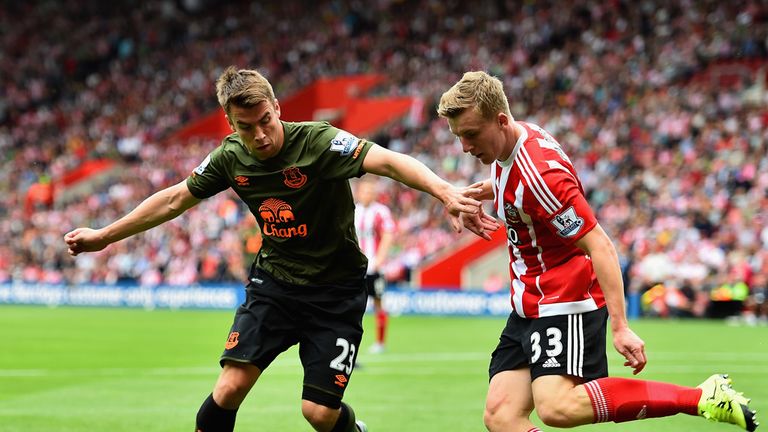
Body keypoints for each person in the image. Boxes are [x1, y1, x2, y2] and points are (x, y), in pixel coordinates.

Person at [64, 66, 483, 432]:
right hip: (275, 286)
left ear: (277, 107)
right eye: (246, 127)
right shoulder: (229, 159)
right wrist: (104, 236)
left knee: (318, 414)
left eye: (265, 120)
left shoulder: (318, 142)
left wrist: (444, 191)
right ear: (230, 124)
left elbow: (389, 161)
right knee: (229, 387)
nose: (260, 135)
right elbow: (174, 199)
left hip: (336, 293)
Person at [438, 71, 759, 432]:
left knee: (558, 408)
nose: (465, 146)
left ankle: (700, 397)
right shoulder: (512, 140)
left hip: (563, 298)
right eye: (459, 136)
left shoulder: (542, 175)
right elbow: (513, 183)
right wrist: (465, 195)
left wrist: (621, 327)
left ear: (500, 121)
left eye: (470, 135)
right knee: (501, 416)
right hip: (528, 299)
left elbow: (600, 245)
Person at [354, 177, 396, 354]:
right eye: (364, 191)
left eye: (370, 192)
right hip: (356, 268)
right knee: (352, 305)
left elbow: (388, 235)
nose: (367, 195)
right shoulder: (353, 210)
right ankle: (352, 341)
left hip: (375, 267)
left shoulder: (381, 212)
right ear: (358, 193)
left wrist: (379, 259)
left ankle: (380, 342)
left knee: (378, 303)